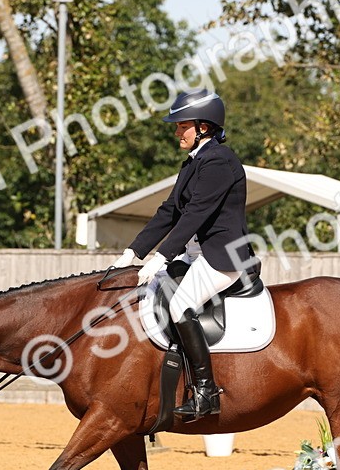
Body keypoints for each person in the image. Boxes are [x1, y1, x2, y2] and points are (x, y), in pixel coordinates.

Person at [106, 87, 259, 421]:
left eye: (182, 125)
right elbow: (171, 210)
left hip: (223, 257)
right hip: (194, 256)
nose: (177, 131)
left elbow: (196, 214)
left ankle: (206, 392)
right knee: (148, 295)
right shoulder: (194, 162)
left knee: (179, 305)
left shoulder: (219, 160)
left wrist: (161, 257)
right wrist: (133, 252)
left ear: (203, 126)